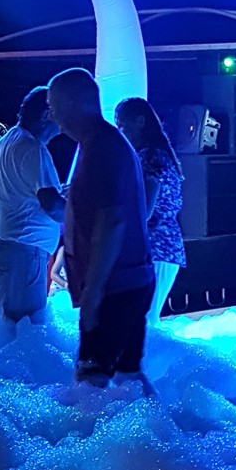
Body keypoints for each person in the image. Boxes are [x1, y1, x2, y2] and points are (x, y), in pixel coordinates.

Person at [47, 68, 153, 393]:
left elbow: (111, 223)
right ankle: (159, 421)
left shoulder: (101, 148)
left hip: (114, 286)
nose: (52, 116)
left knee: (90, 383)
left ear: (72, 104)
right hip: (130, 279)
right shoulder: (101, 144)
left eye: (53, 106)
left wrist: (93, 292)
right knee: (126, 378)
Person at [0, 87, 65, 325]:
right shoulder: (33, 148)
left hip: (0, 247)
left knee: (4, 329)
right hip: (22, 255)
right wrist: (86, 215)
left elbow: (21, 193)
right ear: (47, 115)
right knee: (27, 332)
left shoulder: (4, 142)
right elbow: (52, 205)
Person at [116, 97, 187, 321]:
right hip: (161, 247)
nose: (120, 131)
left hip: (157, 247)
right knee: (143, 320)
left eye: (122, 125)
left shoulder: (150, 157)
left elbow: (144, 210)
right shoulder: (155, 155)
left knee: (144, 321)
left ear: (140, 121)